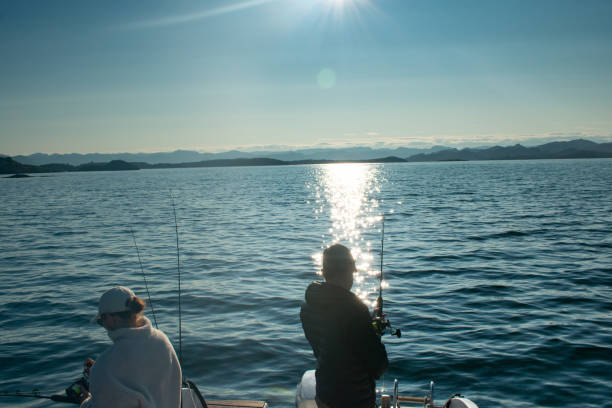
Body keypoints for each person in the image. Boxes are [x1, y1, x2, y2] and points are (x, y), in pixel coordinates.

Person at [300, 244, 388, 408]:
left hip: (325, 396)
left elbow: (329, 345)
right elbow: (379, 366)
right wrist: (373, 334)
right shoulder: (355, 310)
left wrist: (367, 325)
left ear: (325, 271)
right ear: (347, 271)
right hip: (355, 401)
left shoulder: (308, 307)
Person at [79, 286, 182, 408]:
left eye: (101, 321)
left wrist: (85, 401)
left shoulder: (105, 366)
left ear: (111, 318)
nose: (103, 326)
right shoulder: (162, 340)